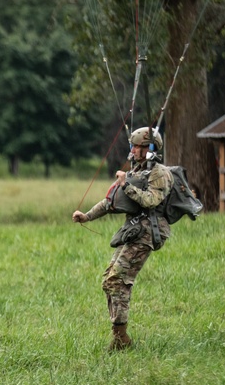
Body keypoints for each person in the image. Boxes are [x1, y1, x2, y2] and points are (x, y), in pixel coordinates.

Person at [72, 127, 174, 351]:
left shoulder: (160, 173)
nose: (135, 150)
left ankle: (121, 340)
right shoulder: (135, 171)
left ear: (152, 149)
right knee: (109, 279)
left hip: (149, 232)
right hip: (134, 229)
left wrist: (125, 184)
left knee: (118, 280)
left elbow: (151, 201)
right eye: (134, 146)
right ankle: (120, 337)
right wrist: (87, 216)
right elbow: (111, 202)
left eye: (141, 146)